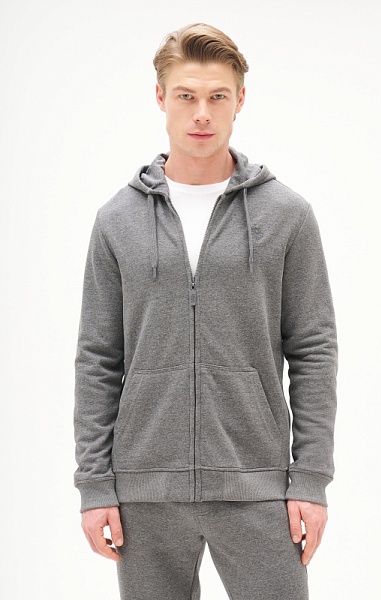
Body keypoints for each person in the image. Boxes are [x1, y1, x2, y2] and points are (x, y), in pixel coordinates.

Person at [73, 22, 338, 600]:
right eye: (186, 95)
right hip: (145, 490)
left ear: (240, 99)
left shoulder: (287, 215)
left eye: (217, 96)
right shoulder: (117, 220)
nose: (202, 114)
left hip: (258, 485)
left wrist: (310, 479)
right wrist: (95, 485)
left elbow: (314, 350)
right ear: (160, 97)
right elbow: (98, 358)